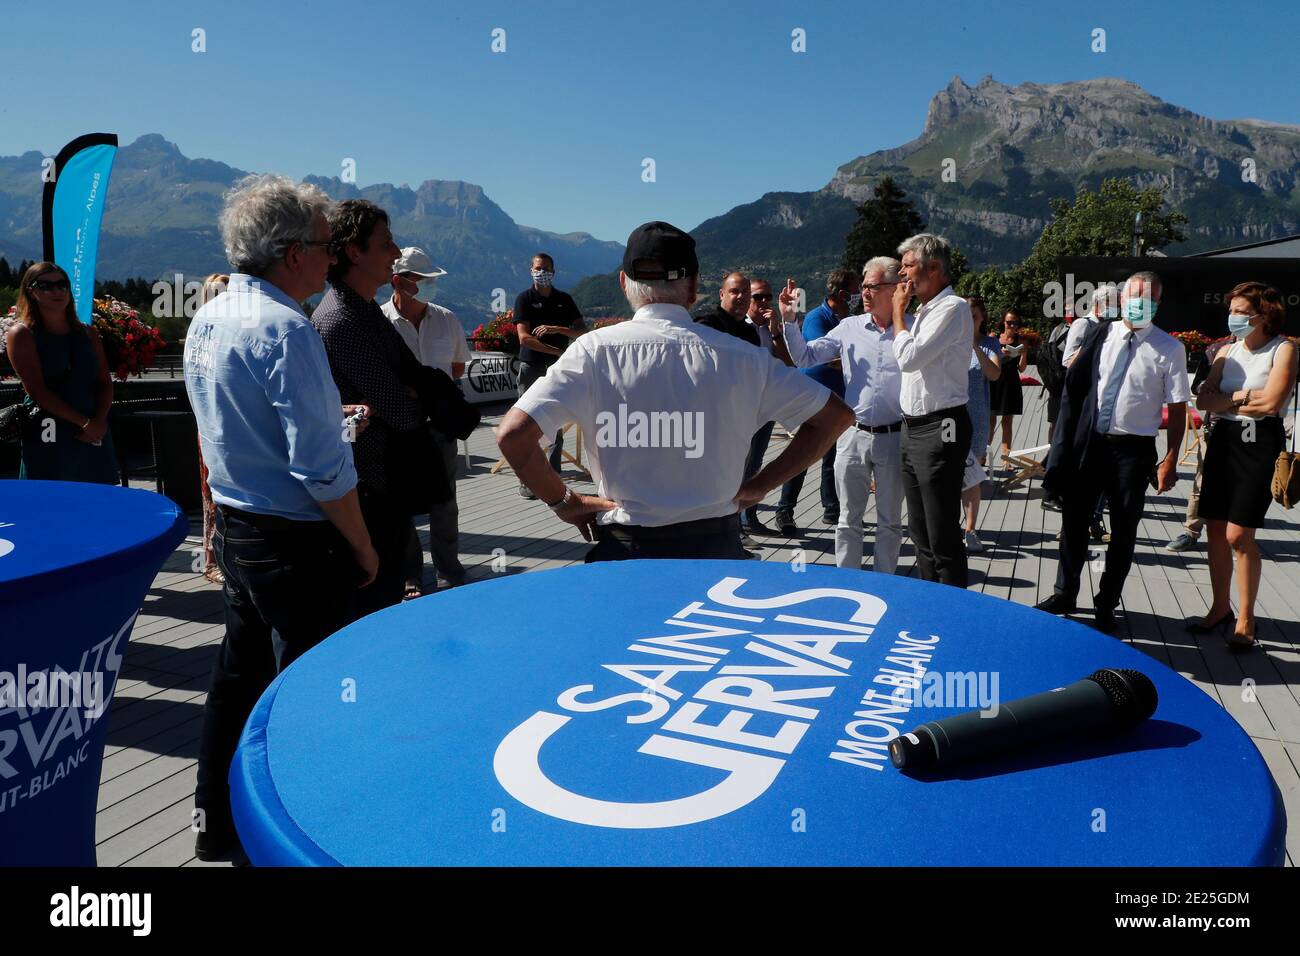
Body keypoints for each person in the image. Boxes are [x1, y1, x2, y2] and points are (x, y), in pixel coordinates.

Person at [184, 174, 378, 861]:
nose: (332, 259)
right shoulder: (287, 329)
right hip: (293, 538)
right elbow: (321, 469)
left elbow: (218, 430)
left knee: (236, 678)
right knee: (304, 693)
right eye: (327, 247)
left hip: (240, 525)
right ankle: (296, 835)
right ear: (293, 252)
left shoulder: (209, 315)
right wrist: (362, 545)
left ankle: (217, 824)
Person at [495, 220, 853, 561]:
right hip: (716, 545)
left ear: (623, 282)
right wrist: (761, 485)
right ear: (695, 287)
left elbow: (513, 435)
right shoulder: (746, 358)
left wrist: (564, 502)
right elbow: (836, 418)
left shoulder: (592, 352)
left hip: (626, 546)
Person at [1037, 271, 1190, 631]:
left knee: (1123, 531)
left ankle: (1106, 603)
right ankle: (1064, 593)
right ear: (1122, 299)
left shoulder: (1170, 348)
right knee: (1073, 522)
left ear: (1158, 303)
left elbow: (1179, 407)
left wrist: (1170, 458)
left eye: (1148, 297)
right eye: (1135, 294)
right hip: (1091, 445)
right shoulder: (1099, 336)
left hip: (1132, 452)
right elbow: (1075, 387)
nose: (1140, 302)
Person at [313, 199, 436, 618]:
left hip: (382, 481)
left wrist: (407, 396)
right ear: (354, 252)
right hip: (365, 486)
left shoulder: (362, 307)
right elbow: (402, 409)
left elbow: (412, 380)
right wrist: (410, 399)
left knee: (384, 594)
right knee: (371, 604)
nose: (397, 252)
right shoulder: (342, 318)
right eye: (386, 243)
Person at [774, 257, 907, 572]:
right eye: (862, 286)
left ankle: (884, 583)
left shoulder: (911, 330)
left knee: (890, 521)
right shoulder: (849, 327)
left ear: (894, 289)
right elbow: (805, 358)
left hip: (895, 437)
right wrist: (790, 320)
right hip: (853, 434)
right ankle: (847, 580)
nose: (864, 293)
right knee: (848, 519)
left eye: (872, 286)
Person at [1188, 283, 1297, 650]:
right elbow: (1202, 397)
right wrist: (1242, 397)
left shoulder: (1283, 349)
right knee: (1215, 529)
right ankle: (1221, 608)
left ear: (1262, 315)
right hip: (1223, 443)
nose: (1232, 317)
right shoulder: (1226, 351)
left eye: (1239, 311)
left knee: (1239, 535)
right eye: (1230, 310)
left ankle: (1246, 617)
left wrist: (1228, 402)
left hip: (1260, 445)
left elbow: (1272, 403)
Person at [381, 247, 470, 596]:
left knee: (444, 501)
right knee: (401, 505)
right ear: (398, 282)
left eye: (432, 279)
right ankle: (410, 575)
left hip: (438, 425)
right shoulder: (380, 322)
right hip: (398, 428)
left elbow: (458, 366)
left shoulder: (447, 318)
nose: (430, 285)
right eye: (423, 280)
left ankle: (449, 571)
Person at [891, 234, 974, 587]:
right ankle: (930, 600)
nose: (901, 275)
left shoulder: (952, 308)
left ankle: (955, 613)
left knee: (941, 532)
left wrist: (897, 313)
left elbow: (909, 359)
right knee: (920, 529)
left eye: (908, 266)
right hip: (913, 428)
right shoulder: (925, 311)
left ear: (934, 267)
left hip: (941, 427)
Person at [4, 262, 119, 483]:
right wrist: (85, 423)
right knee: (50, 499)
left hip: (93, 428)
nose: (57, 291)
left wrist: (98, 421)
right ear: (31, 290)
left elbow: (104, 381)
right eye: (46, 285)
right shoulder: (22, 334)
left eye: (62, 284)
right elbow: (37, 390)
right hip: (49, 426)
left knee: (98, 499)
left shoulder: (88, 332)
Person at [773, 269, 858, 534]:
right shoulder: (816, 318)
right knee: (803, 455)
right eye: (856, 289)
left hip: (837, 399)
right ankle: (784, 511)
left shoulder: (849, 319)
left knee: (830, 456)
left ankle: (831, 508)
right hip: (812, 397)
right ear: (843, 294)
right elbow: (817, 356)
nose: (859, 295)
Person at [695, 271, 765, 546]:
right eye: (735, 292)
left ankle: (734, 531)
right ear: (721, 294)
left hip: (740, 418)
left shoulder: (750, 333)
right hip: (707, 418)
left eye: (745, 293)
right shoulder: (705, 324)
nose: (741, 297)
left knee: (738, 476)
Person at [513, 253, 585, 498]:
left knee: (556, 424)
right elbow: (524, 338)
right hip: (531, 368)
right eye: (537, 268)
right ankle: (528, 480)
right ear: (530, 270)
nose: (541, 271)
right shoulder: (524, 299)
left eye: (545, 268)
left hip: (557, 371)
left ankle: (553, 476)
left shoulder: (564, 299)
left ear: (554, 271)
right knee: (525, 425)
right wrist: (556, 350)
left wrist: (557, 329)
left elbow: (581, 332)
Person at [1167, 334, 1235, 553]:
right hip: (1215, 426)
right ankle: (1191, 531)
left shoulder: (1272, 351)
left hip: (1251, 430)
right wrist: (1212, 387)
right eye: (1234, 312)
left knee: (1239, 485)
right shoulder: (1216, 350)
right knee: (1202, 481)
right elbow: (1197, 387)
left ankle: (1235, 535)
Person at [737, 277, 793, 538]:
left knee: (756, 464)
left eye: (767, 297)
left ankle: (750, 517)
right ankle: (734, 524)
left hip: (766, 408)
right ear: (748, 299)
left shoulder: (772, 330)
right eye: (758, 297)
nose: (763, 302)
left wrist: (775, 332)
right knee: (739, 466)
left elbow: (789, 365)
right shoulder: (738, 329)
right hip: (742, 410)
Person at [195, 273, 229, 585]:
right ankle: (209, 558)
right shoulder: (203, 335)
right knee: (211, 492)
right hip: (210, 425)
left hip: (226, 425)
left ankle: (220, 556)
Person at [962, 296, 1002, 554]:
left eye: (973, 316)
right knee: (946, 474)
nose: (969, 320)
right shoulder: (949, 341)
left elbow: (995, 374)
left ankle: (970, 529)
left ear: (982, 317)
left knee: (971, 476)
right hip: (948, 417)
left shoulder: (989, 344)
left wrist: (975, 346)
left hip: (975, 417)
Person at [988, 310, 1028, 466]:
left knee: (1007, 422)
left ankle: (1007, 459)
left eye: (1015, 323)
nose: (1012, 325)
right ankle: (984, 455)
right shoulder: (993, 337)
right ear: (1003, 322)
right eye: (1009, 322)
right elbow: (987, 359)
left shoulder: (1021, 340)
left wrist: (1023, 352)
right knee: (990, 421)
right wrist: (999, 354)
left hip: (1010, 382)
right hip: (994, 380)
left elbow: (1022, 368)